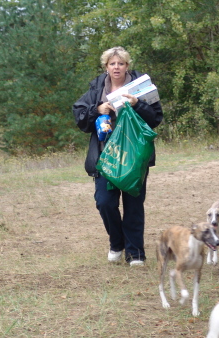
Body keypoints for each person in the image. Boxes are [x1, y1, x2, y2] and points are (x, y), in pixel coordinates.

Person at [72, 46, 163, 266]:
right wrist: (98, 109)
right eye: (112, 64)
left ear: (126, 66)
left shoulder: (141, 87)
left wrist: (137, 104)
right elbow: (80, 118)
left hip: (134, 157)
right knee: (104, 202)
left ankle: (136, 254)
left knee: (133, 205)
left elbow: (156, 118)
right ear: (106, 67)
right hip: (106, 157)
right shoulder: (96, 90)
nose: (116, 67)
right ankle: (116, 243)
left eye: (120, 63)